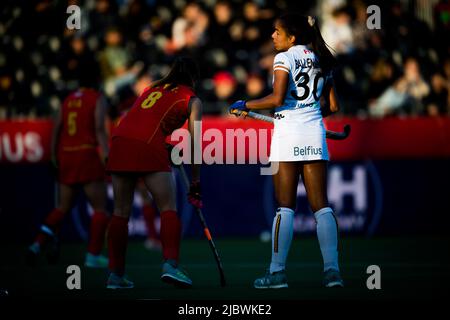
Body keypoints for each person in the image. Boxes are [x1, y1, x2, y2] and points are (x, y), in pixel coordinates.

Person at [229, 14, 344, 288]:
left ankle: (277, 273)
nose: (272, 36)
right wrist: (309, 109)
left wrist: (245, 103)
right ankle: (333, 272)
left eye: (277, 32)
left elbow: (277, 98)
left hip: (288, 137)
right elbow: (333, 106)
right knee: (322, 207)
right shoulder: (321, 58)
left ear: (291, 37)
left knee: (285, 207)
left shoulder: (284, 58)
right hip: (314, 134)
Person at [105, 57, 202, 289]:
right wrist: (196, 181)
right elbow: (195, 145)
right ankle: (170, 265)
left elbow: (144, 120)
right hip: (147, 145)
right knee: (168, 208)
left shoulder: (151, 88)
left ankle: (115, 276)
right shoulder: (192, 99)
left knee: (120, 212)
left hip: (119, 141)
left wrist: (166, 143)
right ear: (194, 78)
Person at [27, 88, 110, 268]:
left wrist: (53, 156)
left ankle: (36, 244)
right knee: (100, 209)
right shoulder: (97, 98)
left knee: (62, 207)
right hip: (86, 154)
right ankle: (93, 256)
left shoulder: (67, 99)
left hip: (66, 156)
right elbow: (98, 129)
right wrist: (107, 156)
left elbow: (56, 128)